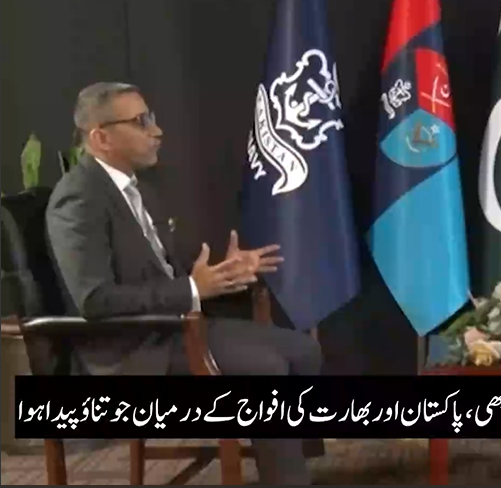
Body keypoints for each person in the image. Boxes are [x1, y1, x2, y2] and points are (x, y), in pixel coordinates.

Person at [45, 82, 320, 485]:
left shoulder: (138, 188)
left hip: (172, 328)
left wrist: (224, 274)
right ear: (101, 138)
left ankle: (289, 465)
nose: (157, 131)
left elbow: (161, 273)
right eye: (141, 122)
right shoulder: (79, 198)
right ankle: (287, 477)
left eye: (152, 119)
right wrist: (192, 289)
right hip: (129, 350)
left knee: (304, 350)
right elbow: (95, 299)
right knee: (267, 368)